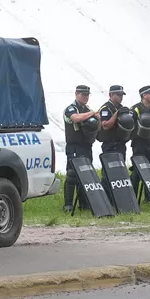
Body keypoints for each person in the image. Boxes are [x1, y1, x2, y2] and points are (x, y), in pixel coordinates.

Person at [62, 84, 98, 213]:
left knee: (86, 175)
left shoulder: (87, 109)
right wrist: (92, 114)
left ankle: (84, 203)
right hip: (74, 145)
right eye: (83, 95)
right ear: (76, 94)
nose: (85, 97)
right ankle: (68, 204)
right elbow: (75, 118)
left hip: (87, 145)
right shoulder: (71, 109)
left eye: (87, 95)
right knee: (72, 175)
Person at [97, 85, 131, 158]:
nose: (121, 97)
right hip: (110, 144)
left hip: (120, 143)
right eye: (118, 95)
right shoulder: (106, 108)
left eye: (122, 95)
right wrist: (116, 114)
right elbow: (105, 125)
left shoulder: (121, 107)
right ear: (111, 95)